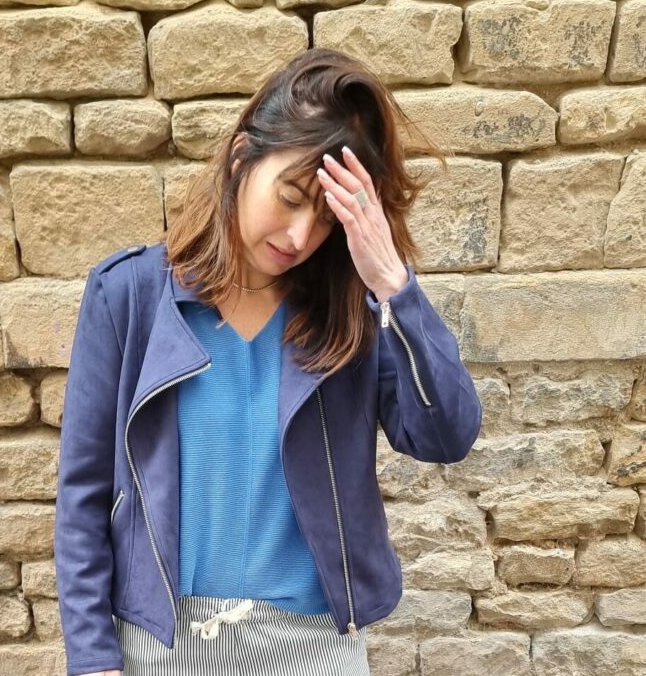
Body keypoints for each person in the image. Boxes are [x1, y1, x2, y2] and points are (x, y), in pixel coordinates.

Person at [55, 47, 483, 676]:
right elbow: (84, 495)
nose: (301, 236)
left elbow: (446, 436)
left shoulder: (354, 314)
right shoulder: (130, 296)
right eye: (289, 197)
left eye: (328, 218)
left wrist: (394, 285)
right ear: (240, 159)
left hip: (314, 649)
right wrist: (93, 660)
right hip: (159, 646)